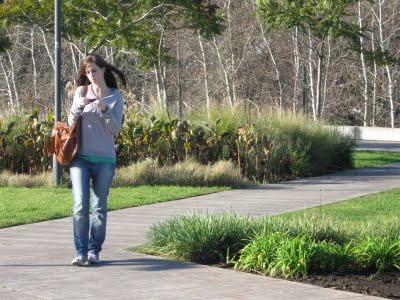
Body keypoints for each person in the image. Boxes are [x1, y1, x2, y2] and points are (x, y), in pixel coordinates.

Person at [68, 53, 126, 266]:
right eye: (87, 72)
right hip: (80, 158)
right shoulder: (81, 92)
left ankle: (94, 251)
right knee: (80, 205)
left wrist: (105, 110)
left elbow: (115, 130)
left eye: (94, 70)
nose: (91, 75)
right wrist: (78, 106)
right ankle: (81, 251)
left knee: (99, 207)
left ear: (102, 70)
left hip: (104, 160)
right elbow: (70, 121)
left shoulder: (115, 97)